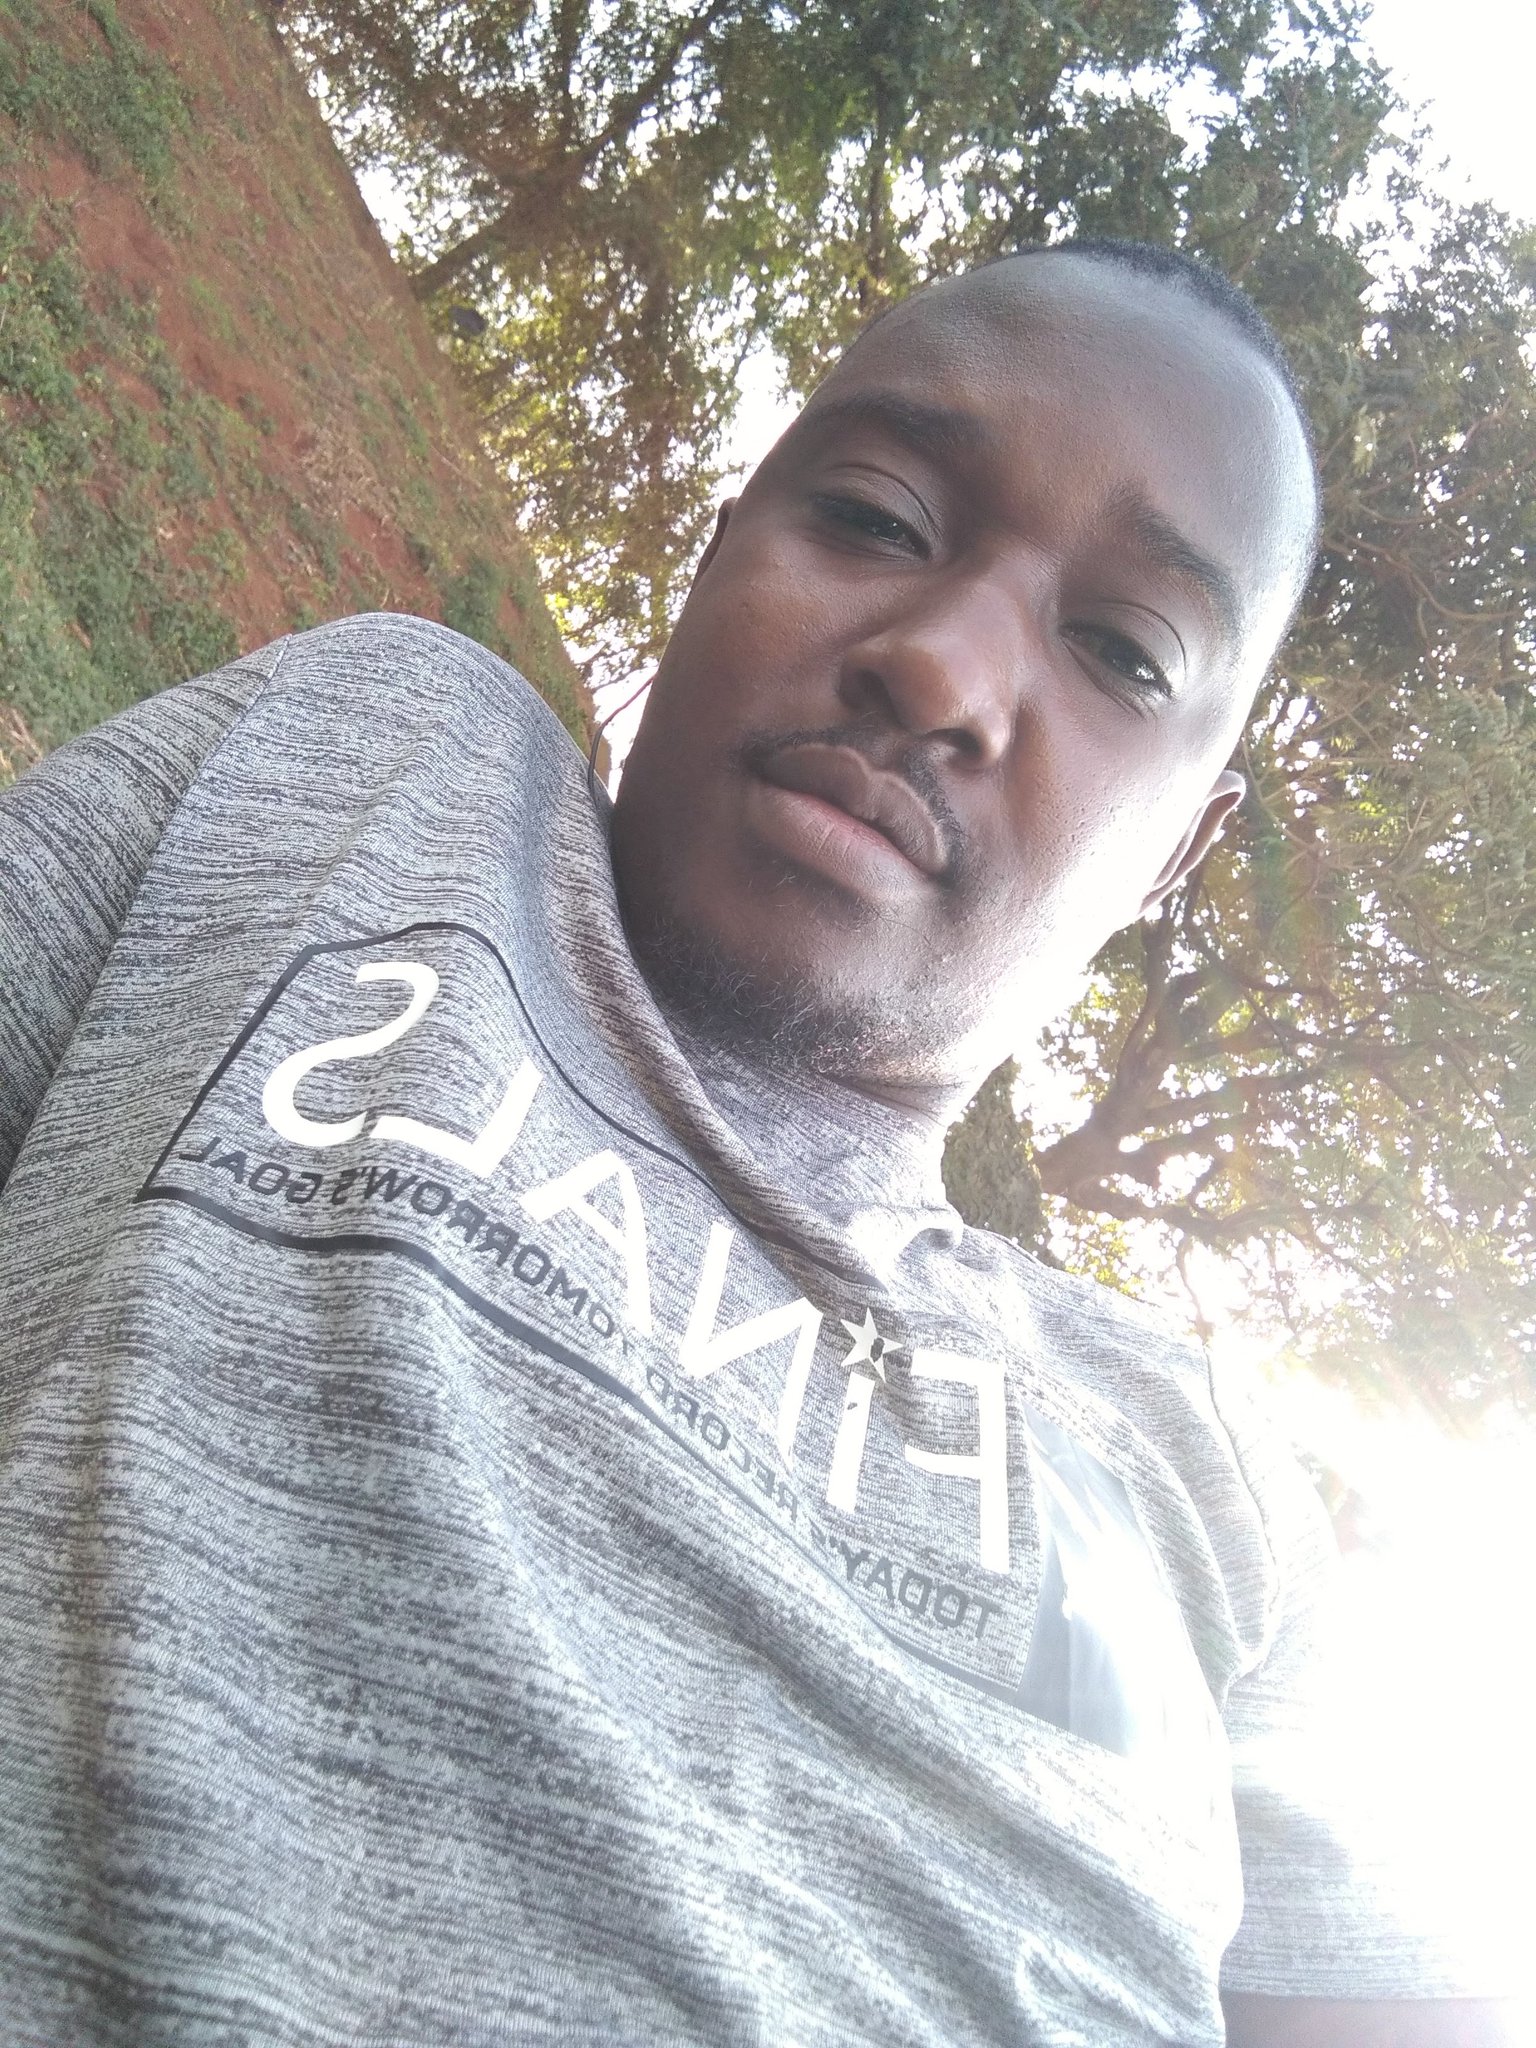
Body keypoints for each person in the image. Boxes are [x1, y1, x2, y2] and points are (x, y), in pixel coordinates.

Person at [0, 240, 1514, 2047]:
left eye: (1122, 650)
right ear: (715, 555)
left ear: (1177, 850)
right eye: (876, 517)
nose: (942, 670)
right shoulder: (389, 772)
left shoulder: (1199, 1473)